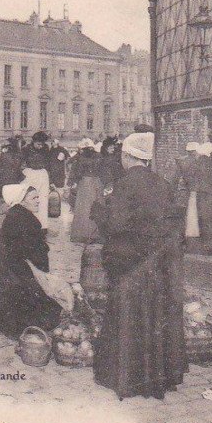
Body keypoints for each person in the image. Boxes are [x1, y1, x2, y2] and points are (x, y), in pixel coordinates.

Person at [90, 131, 186, 400]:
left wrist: (99, 211)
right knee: (155, 316)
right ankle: (157, 377)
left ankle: (128, 378)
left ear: (128, 156)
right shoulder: (163, 184)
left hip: (131, 264)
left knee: (129, 317)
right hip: (159, 263)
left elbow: (117, 226)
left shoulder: (126, 184)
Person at [0, 184, 64, 339]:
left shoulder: (15, 215)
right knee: (52, 305)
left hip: (7, 270)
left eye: (38, 197)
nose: (38, 201)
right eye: (33, 198)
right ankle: (25, 329)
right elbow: (33, 254)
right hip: (15, 274)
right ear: (21, 201)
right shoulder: (26, 220)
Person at [68, 138, 103, 243]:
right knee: (96, 206)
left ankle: (83, 233)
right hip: (97, 182)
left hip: (85, 183)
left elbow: (75, 170)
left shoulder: (80, 158)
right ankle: (95, 233)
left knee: (84, 208)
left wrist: (72, 182)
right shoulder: (99, 156)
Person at [169, 142, 201, 241]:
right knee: (191, 213)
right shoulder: (196, 163)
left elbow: (175, 177)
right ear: (195, 152)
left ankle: (181, 235)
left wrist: (173, 189)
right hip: (192, 190)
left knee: (182, 212)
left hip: (182, 190)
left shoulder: (181, 161)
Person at [20, 131, 52, 229]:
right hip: (30, 174)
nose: (40, 146)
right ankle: (28, 225)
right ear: (33, 142)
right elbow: (21, 162)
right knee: (29, 198)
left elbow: (48, 163)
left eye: (42, 144)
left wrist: (51, 180)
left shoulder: (46, 149)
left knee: (42, 199)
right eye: (38, 144)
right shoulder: (26, 149)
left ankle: (42, 225)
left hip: (42, 174)